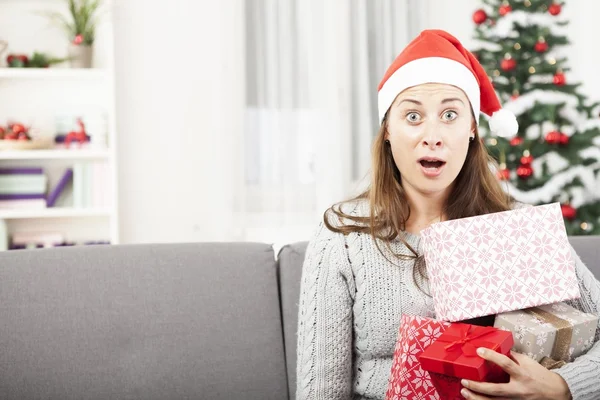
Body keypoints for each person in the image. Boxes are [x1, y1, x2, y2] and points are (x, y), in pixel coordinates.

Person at [295, 29, 600, 400]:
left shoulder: (517, 226)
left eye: (450, 114)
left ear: (472, 128)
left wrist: (562, 386)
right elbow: (321, 390)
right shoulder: (342, 237)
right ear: (388, 130)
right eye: (412, 116)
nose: (433, 135)